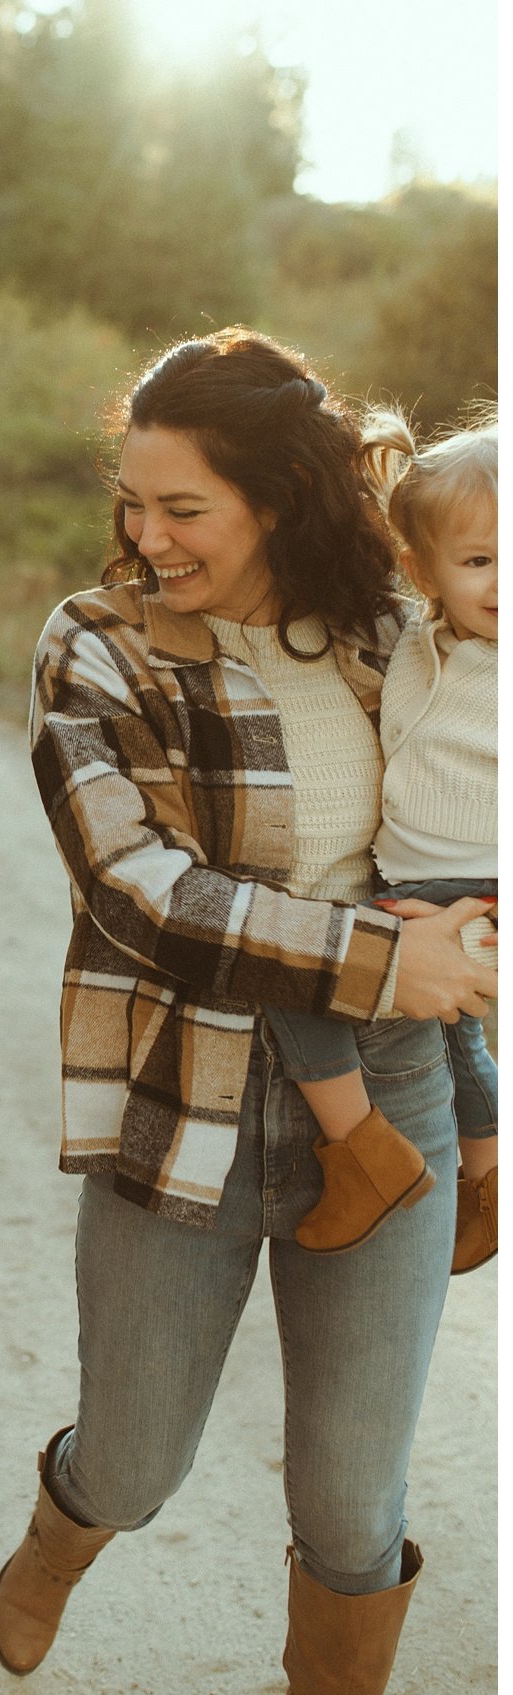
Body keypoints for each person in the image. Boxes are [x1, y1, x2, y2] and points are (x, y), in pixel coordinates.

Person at [0, 329, 496, 1695]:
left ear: (276, 494)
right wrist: (379, 957)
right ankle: (66, 1529)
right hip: (183, 1097)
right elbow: (140, 893)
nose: (144, 537)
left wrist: (481, 1105)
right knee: (138, 1462)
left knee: (352, 1503)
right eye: (131, 502)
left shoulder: (397, 628)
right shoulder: (94, 646)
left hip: (393, 1088)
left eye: (182, 509)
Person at [261, 416, 497, 1266]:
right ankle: (486, 1181)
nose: (502, 583)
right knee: (455, 1038)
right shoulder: (412, 635)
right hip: (418, 874)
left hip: (474, 886)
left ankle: (362, 1152)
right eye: (478, 561)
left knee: (301, 975)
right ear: (422, 569)